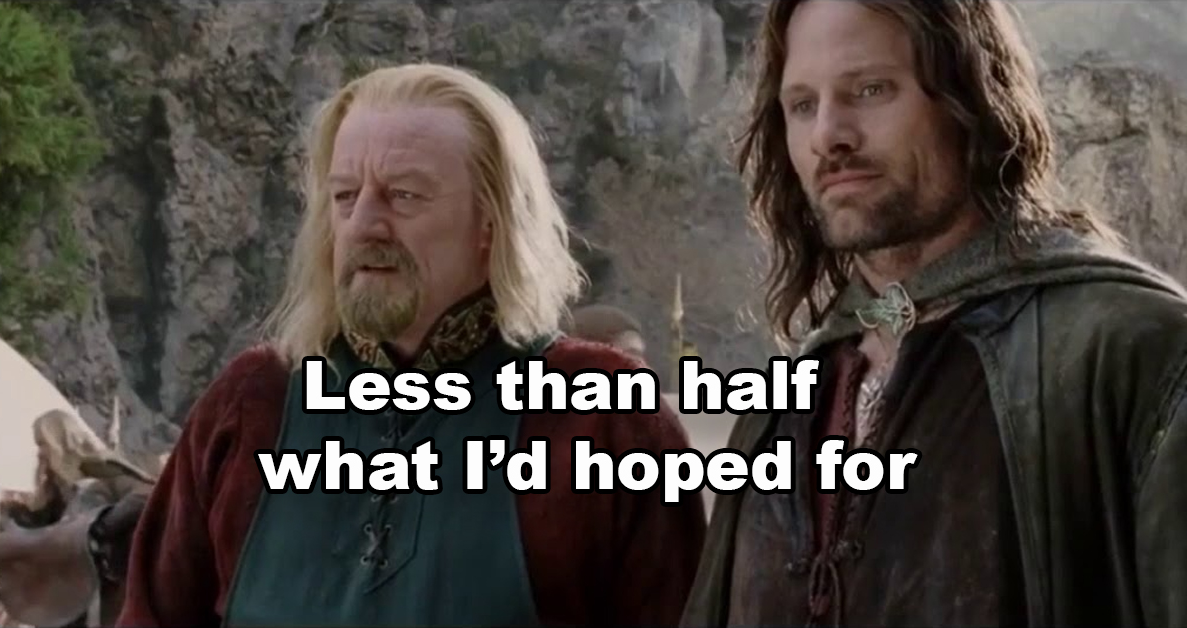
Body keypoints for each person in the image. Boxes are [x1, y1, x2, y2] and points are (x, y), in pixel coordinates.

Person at [116, 62, 707, 627]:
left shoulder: (603, 421)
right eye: (345, 196)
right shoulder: (251, 405)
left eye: (403, 195)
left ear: (492, 221)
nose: (363, 224)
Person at [681, 1, 1187, 627]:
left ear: (970, 97)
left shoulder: (1132, 353)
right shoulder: (782, 406)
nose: (828, 136)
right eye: (803, 105)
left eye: (871, 89)